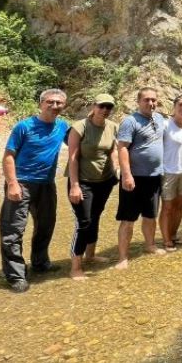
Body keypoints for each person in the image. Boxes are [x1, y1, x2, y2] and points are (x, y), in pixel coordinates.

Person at [0, 89, 69, 293]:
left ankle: (40, 262)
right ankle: (15, 275)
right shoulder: (24, 126)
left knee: (46, 225)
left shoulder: (63, 126)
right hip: (21, 183)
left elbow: (79, 142)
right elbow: (9, 156)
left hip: (47, 184)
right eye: (50, 102)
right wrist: (12, 183)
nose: (55, 106)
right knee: (13, 230)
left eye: (59, 103)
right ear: (41, 104)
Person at [66, 94, 119, 280]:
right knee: (84, 222)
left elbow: (112, 150)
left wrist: (116, 170)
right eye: (102, 106)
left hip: (104, 181)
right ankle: (75, 267)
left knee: (95, 216)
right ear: (94, 106)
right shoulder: (79, 127)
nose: (105, 110)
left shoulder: (112, 127)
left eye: (109, 107)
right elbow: (72, 157)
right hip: (82, 181)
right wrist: (74, 185)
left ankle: (91, 254)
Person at [115, 87, 167, 267]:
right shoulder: (130, 121)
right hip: (134, 178)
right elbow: (122, 148)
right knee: (128, 219)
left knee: (150, 215)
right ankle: (123, 257)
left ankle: (150, 245)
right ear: (138, 101)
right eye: (147, 100)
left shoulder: (159, 118)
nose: (151, 103)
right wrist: (127, 175)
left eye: (153, 100)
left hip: (154, 177)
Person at [160, 94, 182, 252]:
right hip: (169, 172)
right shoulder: (166, 125)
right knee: (167, 207)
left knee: (179, 206)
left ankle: (173, 234)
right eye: (181, 104)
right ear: (174, 106)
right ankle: (166, 239)